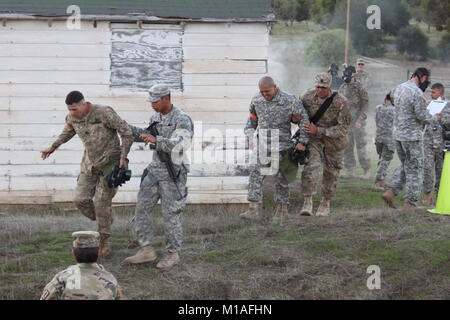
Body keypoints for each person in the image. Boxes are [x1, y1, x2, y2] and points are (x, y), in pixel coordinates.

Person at [40, 91, 134, 257]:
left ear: (83, 104)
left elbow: (126, 132)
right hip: (89, 165)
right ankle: (104, 218)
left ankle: (103, 242)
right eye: (69, 109)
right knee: (80, 199)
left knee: (101, 203)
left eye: (74, 109)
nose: (72, 113)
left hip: (110, 163)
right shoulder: (72, 118)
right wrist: (53, 147)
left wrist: (123, 156)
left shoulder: (104, 113)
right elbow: (67, 132)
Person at [124, 84, 193, 270]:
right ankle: (146, 249)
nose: (152, 105)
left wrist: (158, 140)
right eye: (151, 101)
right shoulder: (155, 117)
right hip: (155, 170)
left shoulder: (182, 119)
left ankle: (173, 254)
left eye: (155, 101)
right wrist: (125, 127)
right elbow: (147, 135)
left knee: (170, 215)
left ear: (166, 98)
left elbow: (182, 144)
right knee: (142, 209)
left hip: (174, 172)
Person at [240, 76, 309, 223]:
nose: (265, 94)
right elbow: (251, 123)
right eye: (262, 91)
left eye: (267, 91)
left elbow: (304, 119)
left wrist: (302, 142)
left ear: (275, 87)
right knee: (254, 174)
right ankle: (253, 209)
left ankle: (281, 211)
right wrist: (251, 137)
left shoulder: (289, 100)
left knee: (282, 180)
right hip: (263, 146)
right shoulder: (256, 100)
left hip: (283, 146)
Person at [299, 73, 352, 216]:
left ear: (330, 86)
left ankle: (325, 202)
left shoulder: (341, 102)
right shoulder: (307, 97)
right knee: (311, 166)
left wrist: (320, 130)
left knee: (331, 172)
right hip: (314, 139)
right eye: (318, 87)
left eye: (323, 87)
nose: (320, 90)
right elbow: (298, 115)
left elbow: (343, 128)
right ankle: (307, 201)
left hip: (334, 141)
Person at [382, 67, 433, 212]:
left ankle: (391, 192)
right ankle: (410, 203)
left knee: (405, 164)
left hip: (398, 134)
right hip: (412, 136)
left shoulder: (399, 87)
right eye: (426, 80)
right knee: (416, 168)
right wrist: (434, 119)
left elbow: (389, 98)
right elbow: (422, 115)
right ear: (422, 77)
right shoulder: (417, 93)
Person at [40, 231, 121, 300]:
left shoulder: (61, 278)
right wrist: (103, 273)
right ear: (98, 253)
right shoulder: (111, 280)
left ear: (73, 253)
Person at [338, 65, 371, 179]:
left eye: (348, 72)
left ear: (353, 74)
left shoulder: (359, 87)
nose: (345, 74)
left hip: (358, 123)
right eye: (344, 72)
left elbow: (365, 105)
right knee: (347, 146)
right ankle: (350, 170)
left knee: (361, 147)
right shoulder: (342, 87)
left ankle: (366, 170)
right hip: (346, 123)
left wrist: (360, 120)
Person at [422, 83, 448, 205]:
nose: (431, 95)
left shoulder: (447, 106)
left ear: (440, 93)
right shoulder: (428, 105)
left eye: (433, 93)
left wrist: (441, 118)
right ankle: (427, 194)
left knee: (440, 170)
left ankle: (439, 194)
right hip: (428, 141)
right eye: (430, 92)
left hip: (442, 142)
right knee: (427, 168)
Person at [372, 93, 395, 191]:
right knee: (385, 161)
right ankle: (377, 182)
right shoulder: (395, 110)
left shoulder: (378, 108)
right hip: (389, 139)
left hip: (379, 137)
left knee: (381, 159)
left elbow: (376, 120)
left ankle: (382, 179)